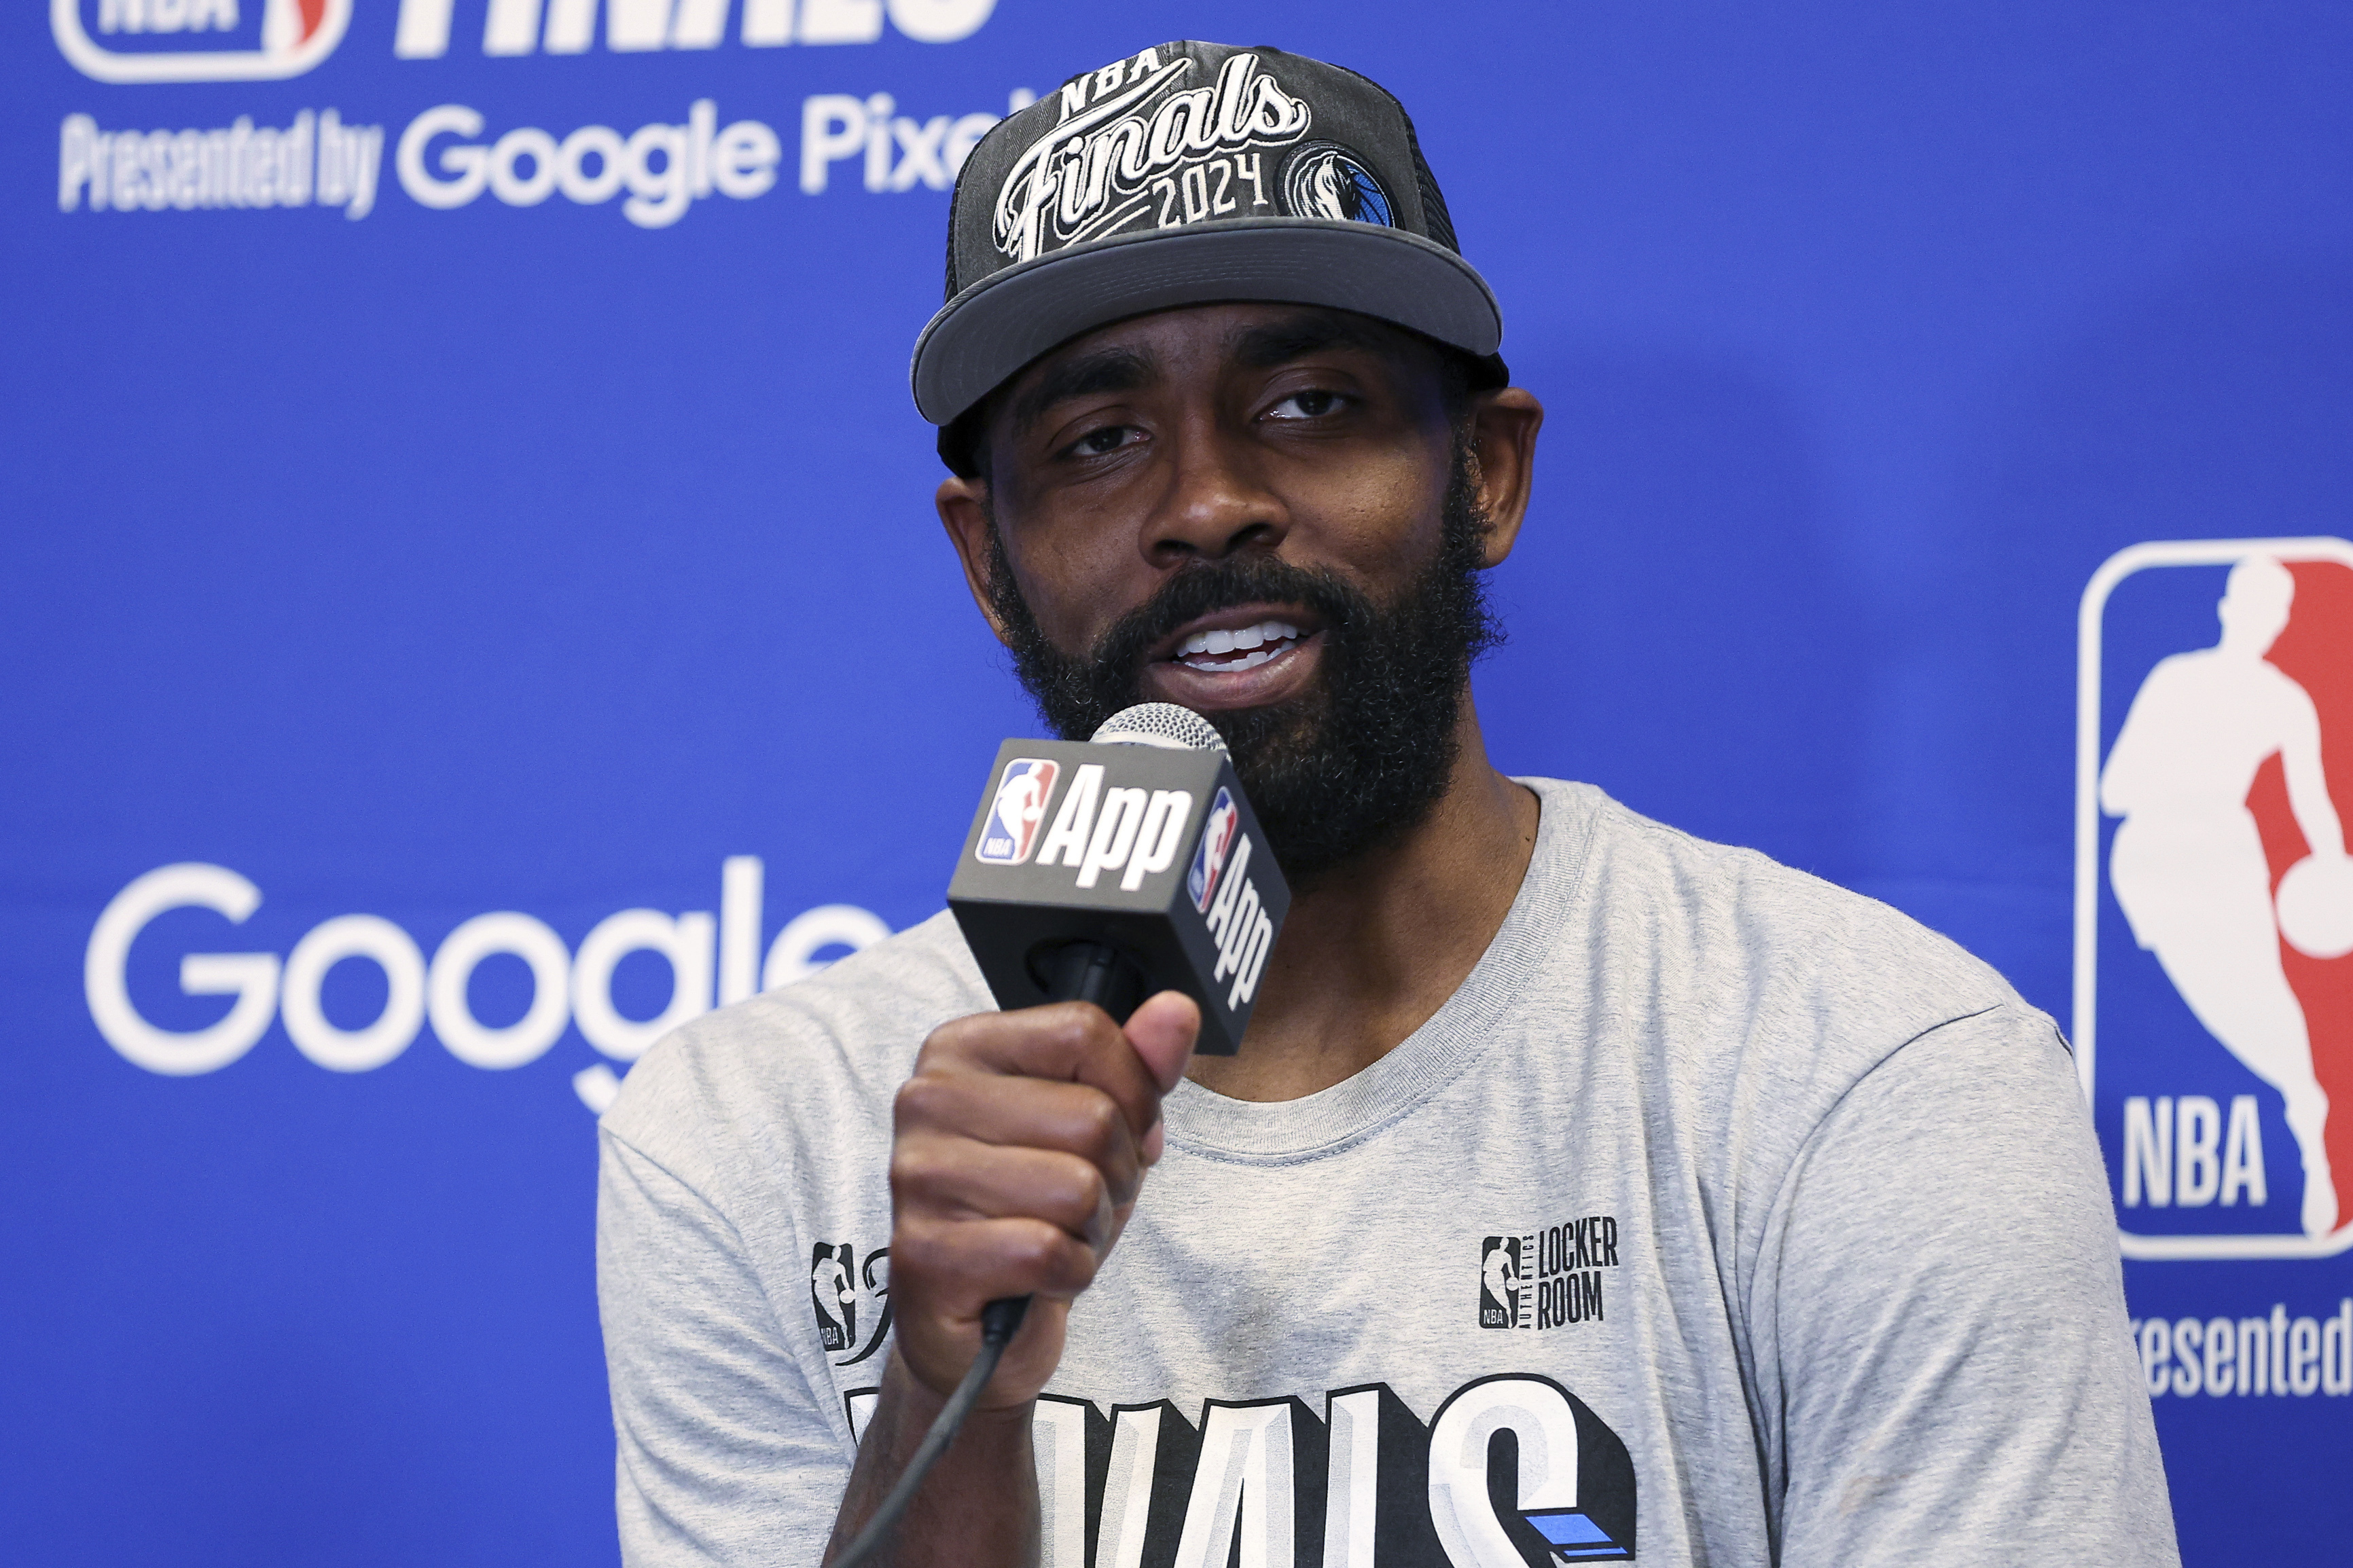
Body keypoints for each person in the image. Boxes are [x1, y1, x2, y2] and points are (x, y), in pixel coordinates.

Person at [598, 40, 2178, 1567]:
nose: (1207, 500)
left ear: (1482, 472)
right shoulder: (755, 1134)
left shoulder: (1859, 1068)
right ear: (984, 565)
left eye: (1309, 404)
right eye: (1096, 440)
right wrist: (946, 1393)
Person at [2102, 553, 2347, 1237]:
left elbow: (2314, 805)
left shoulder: (2285, 701)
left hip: (2227, 859)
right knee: (2206, 1005)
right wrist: (2184, 777)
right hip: (2150, 859)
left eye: (2276, 609)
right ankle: (2300, 1106)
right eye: (2252, 603)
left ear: (2280, 621)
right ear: (2227, 607)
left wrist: (2333, 872)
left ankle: (2309, 1136)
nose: (2262, 620)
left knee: (2269, 1010)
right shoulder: (2172, 680)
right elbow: (2112, 788)